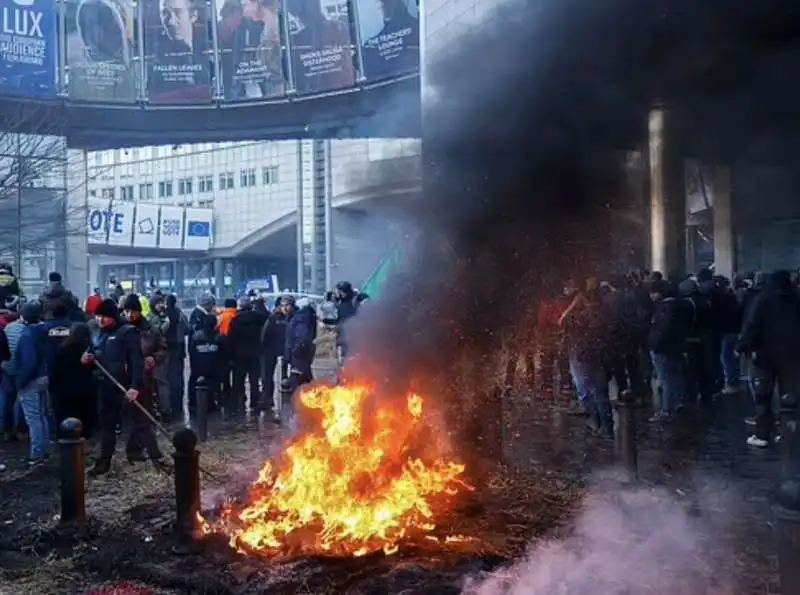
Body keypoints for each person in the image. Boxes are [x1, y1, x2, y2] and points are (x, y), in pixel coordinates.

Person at [84, 298, 167, 476]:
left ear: (112, 316)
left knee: (141, 423)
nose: (100, 320)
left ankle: (157, 459)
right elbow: (94, 353)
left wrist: (135, 386)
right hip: (106, 386)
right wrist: (88, 360)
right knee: (107, 425)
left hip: (127, 386)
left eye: (104, 317)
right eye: (98, 317)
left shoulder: (127, 332)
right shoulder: (98, 333)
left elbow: (137, 361)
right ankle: (104, 461)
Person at [737, 270, 800, 448]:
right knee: (789, 397)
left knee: (763, 396)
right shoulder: (796, 299)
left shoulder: (763, 299)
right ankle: (787, 434)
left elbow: (752, 325)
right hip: (792, 357)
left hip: (765, 356)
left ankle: (762, 435)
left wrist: (743, 347)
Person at [15, 302, 50, 465]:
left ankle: (36, 454)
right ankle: (44, 450)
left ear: (24, 317)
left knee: (33, 418)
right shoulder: (43, 331)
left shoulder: (27, 335)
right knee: (42, 415)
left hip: (31, 379)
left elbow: (28, 361)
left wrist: (20, 381)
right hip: (44, 376)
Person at [49, 323, 96, 439]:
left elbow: (55, 371)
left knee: (66, 422)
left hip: (64, 393)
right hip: (85, 392)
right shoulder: (89, 350)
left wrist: (53, 389)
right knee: (84, 421)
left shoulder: (62, 350)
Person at [647, 280, 686, 422]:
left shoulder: (664, 308)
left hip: (663, 348)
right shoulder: (679, 304)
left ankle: (667, 409)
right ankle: (677, 403)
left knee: (666, 379)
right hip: (674, 347)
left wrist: (654, 345)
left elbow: (662, 330)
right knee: (674, 377)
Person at [229, 296, 267, 415]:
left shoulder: (235, 320)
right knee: (254, 380)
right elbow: (267, 319)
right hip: (255, 353)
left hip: (239, 354)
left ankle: (239, 402)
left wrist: (231, 355)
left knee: (239, 380)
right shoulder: (258, 318)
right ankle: (254, 402)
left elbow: (232, 338)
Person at [188, 313, 222, 414]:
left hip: (198, 367)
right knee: (213, 385)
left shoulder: (196, 336)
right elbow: (222, 353)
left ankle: (194, 404)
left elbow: (191, 351)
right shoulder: (218, 336)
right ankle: (211, 404)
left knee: (194, 384)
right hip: (213, 367)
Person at [164, 294, 188, 420]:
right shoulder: (179, 313)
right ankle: (178, 404)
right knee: (178, 376)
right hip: (178, 348)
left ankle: (168, 404)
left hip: (165, 349)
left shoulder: (163, 314)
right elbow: (187, 328)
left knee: (166, 377)